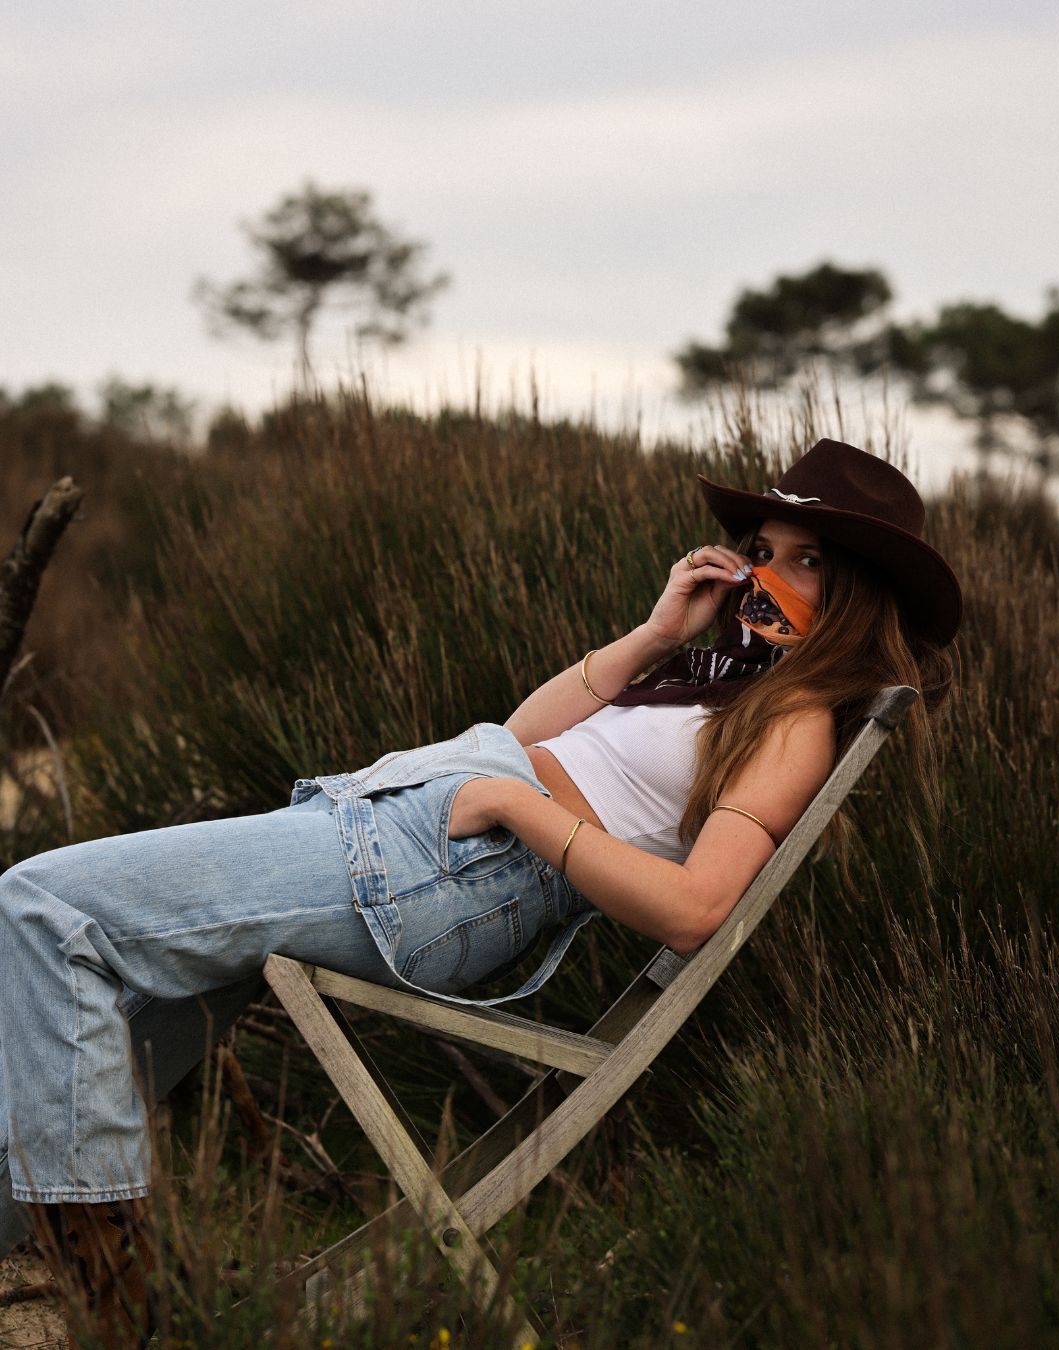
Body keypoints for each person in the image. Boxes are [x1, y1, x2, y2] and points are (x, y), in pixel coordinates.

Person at [0, 438, 960, 1345]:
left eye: (807, 562)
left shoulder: (795, 723)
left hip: (452, 871)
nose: (761, 575)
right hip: (421, 829)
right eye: (760, 550)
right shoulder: (715, 679)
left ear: (858, 595)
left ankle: (115, 1312)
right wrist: (656, 633)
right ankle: (57, 1251)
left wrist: (515, 804)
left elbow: (695, 906)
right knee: (132, 973)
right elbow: (518, 729)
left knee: (45, 906)